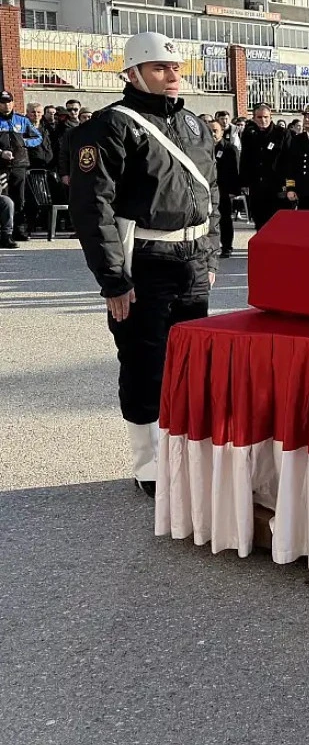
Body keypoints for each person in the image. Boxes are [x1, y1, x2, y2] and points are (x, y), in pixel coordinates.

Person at [68, 31, 218, 498]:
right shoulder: (109, 127)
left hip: (192, 260)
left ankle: (185, 453)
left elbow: (211, 193)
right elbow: (93, 209)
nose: (173, 76)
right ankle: (148, 462)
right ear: (133, 73)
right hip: (145, 261)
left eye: (176, 68)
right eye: (159, 68)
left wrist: (209, 253)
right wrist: (113, 279)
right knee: (144, 360)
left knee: (191, 363)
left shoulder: (193, 124)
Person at [0, 89, 43, 241]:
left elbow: (38, 137)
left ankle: (18, 229)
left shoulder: (22, 120)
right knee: (4, 199)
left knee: (19, 198)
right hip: (2, 167)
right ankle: (4, 232)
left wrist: (24, 143)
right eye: (3, 102)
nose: (6, 105)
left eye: (9, 102)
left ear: (13, 103)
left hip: (19, 164)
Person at [239, 103, 289, 230]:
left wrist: (287, 185)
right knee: (260, 221)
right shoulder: (249, 133)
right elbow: (245, 158)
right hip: (257, 186)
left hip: (277, 186)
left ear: (271, 116)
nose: (263, 120)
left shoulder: (282, 133)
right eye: (259, 117)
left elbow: (289, 160)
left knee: (278, 222)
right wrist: (244, 182)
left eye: (266, 117)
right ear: (254, 118)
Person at [208, 117, 241, 258]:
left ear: (222, 132)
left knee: (224, 219)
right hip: (206, 190)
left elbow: (235, 171)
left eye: (215, 131)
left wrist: (234, 191)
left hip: (223, 191)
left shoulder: (229, 149)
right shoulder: (201, 148)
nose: (212, 134)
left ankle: (227, 246)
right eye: (209, 131)